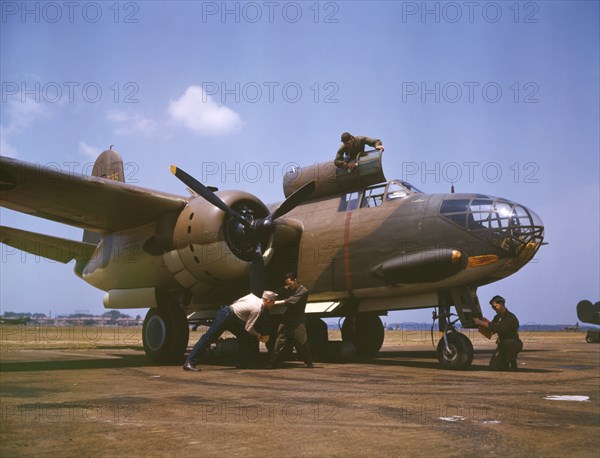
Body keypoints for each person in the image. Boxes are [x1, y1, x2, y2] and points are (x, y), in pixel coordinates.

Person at [183, 291, 278, 371]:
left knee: (245, 337)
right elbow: (248, 328)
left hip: (230, 313)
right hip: (227, 316)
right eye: (273, 303)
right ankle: (189, 362)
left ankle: (242, 363)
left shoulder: (252, 297)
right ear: (268, 301)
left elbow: (237, 301)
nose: (273, 305)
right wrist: (258, 335)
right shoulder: (258, 309)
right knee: (208, 338)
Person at [266, 273, 313, 369]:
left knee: (302, 342)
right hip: (286, 319)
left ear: (295, 280)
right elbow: (279, 291)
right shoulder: (289, 287)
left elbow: (288, 301)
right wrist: (267, 296)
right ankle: (272, 362)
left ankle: (309, 362)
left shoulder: (303, 291)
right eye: (287, 284)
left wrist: (272, 303)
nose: (288, 285)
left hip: (298, 321)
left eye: (290, 283)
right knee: (279, 341)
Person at [474, 295, 523, 371]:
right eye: (492, 307)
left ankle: (513, 363)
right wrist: (481, 326)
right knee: (494, 366)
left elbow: (499, 328)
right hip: (502, 344)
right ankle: (505, 362)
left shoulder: (510, 318)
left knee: (509, 342)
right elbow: (492, 329)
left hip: (514, 343)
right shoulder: (497, 317)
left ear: (501, 304)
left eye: (495, 306)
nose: (494, 309)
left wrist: (481, 322)